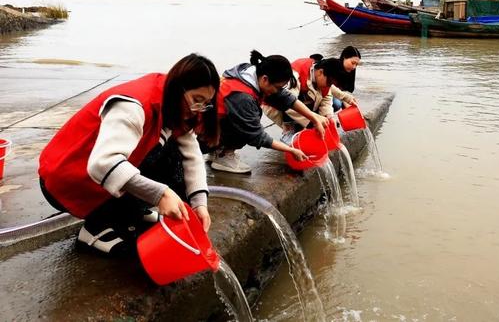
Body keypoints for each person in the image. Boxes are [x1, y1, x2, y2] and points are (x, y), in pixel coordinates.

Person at [38, 54, 219, 256]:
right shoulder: (134, 104)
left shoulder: (172, 105)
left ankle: (129, 212)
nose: (198, 110)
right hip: (66, 181)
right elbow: (102, 164)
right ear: (179, 88)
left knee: (173, 161)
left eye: (205, 103)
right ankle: (95, 226)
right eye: (196, 100)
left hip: (95, 178)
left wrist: (199, 204)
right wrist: (161, 194)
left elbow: (191, 154)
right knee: (164, 166)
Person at [207, 50, 329, 174]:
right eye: (277, 87)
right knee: (251, 118)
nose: (278, 91)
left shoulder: (252, 74)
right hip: (204, 137)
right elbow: (256, 136)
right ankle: (223, 156)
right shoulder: (243, 97)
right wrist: (291, 150)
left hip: (214, 127)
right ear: (265, 79)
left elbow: (286, 98)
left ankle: (217, 150)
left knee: (251, 112)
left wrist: (314, 118)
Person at [263, 55, 343, 143]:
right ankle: (289, 131)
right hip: (277, 105)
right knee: (299, 139)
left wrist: (328, 117)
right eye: (329, 83)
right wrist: (313, 122)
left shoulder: (324, 80)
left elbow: (327, 98)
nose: (329, 86)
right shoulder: (296, 74)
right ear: (320, 72)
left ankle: (304, 126)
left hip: (300, 101)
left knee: (335, 104)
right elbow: (287, 102)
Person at [332, 46, 361, 111]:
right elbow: (329, 88)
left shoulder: (351, 69)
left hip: (340, 94)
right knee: (337, 104)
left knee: (352, 103)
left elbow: (349, 89)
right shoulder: (333, 66)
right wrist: (344, 100)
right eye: (353, 63)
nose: (354, 67)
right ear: (344, 57)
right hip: (328, 93)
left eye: (356, 64)